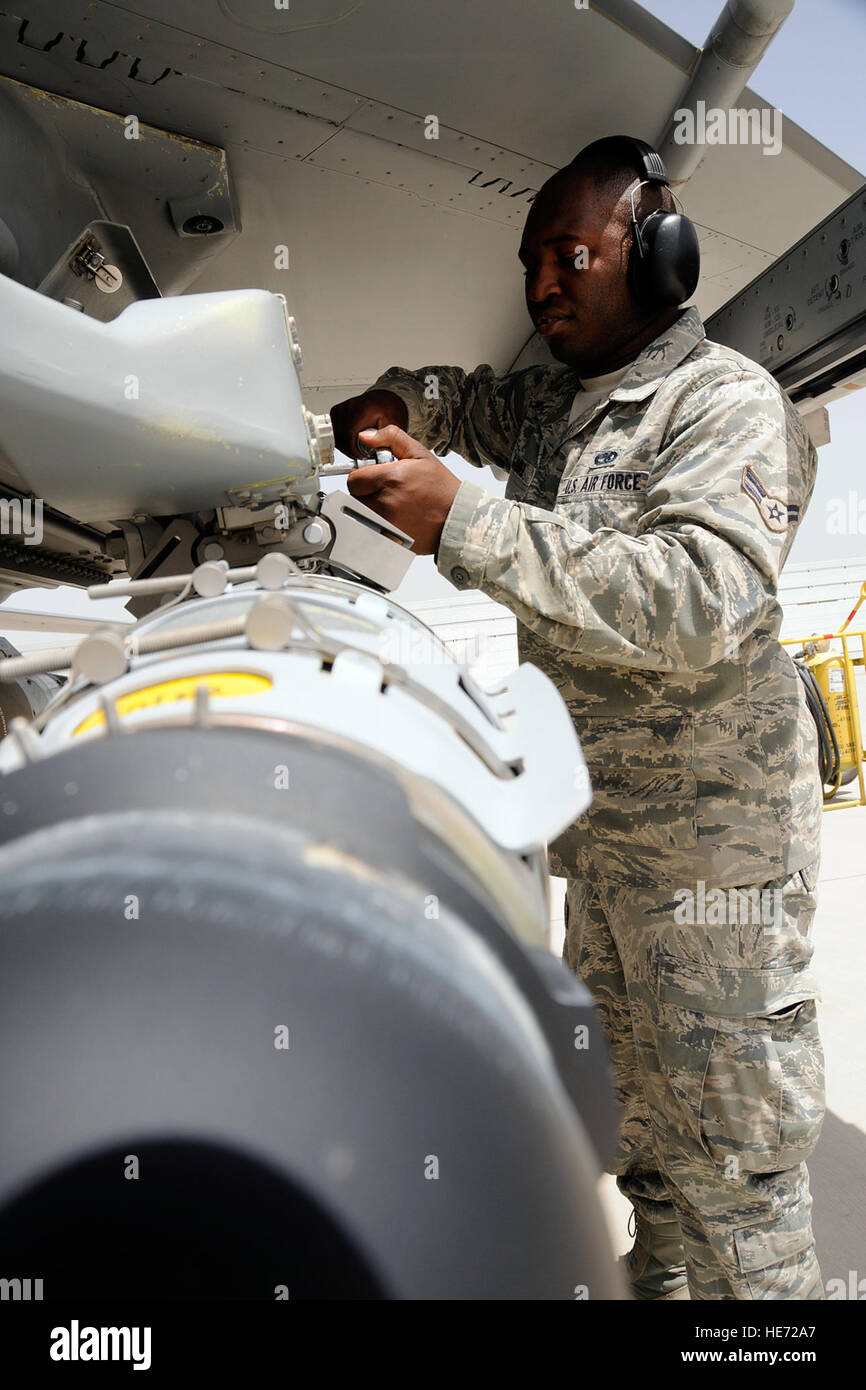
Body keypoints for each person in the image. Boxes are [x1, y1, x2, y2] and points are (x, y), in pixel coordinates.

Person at [330, 135, 825, 1301]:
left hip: (716, 884)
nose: (541, 285)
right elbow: (466, 402)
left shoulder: (721, 402)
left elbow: (700, 596)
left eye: (569, 254)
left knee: (737, 1199)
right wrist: (403, 403)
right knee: (643, 1162)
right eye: (528, 264)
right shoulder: (556, 408)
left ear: (656, 255)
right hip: (603, 870)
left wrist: (465, 523)